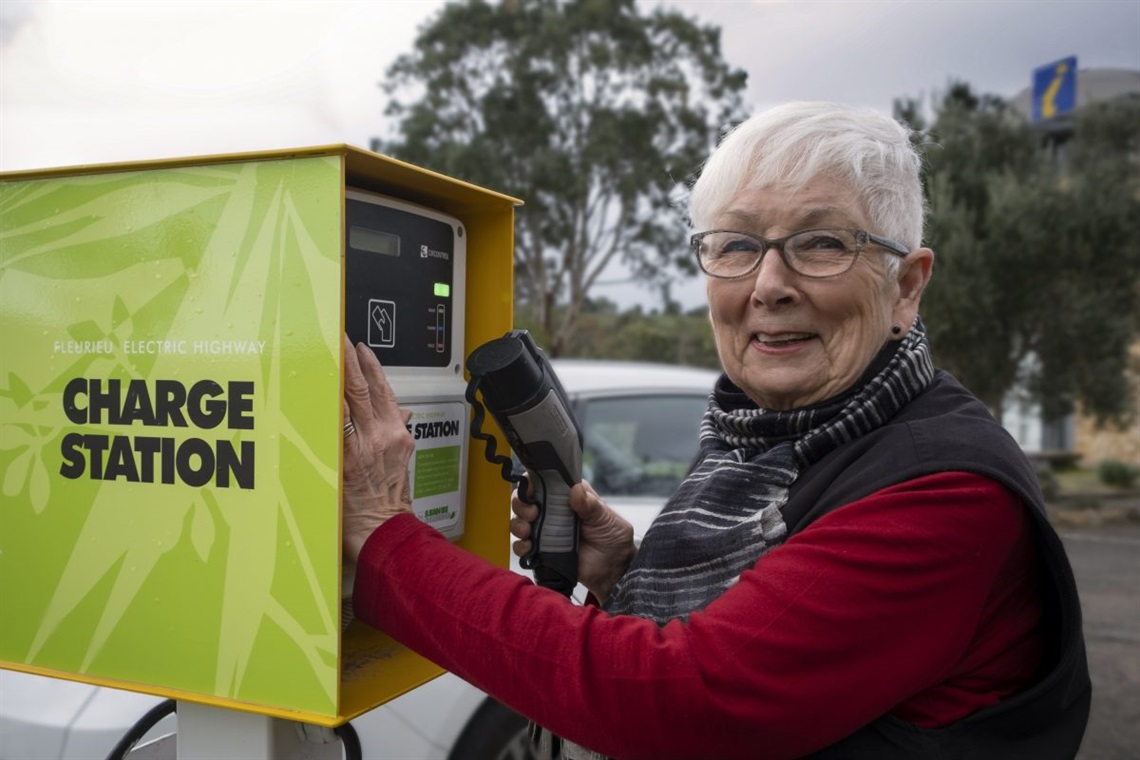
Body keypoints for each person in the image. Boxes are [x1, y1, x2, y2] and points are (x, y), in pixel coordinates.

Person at [341, 101, 1091, 759]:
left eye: (822, 243)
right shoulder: (766, 437)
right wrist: (619, 580)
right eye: (734, 245)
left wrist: (383, 537)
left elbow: (681, 699)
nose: (768, 285)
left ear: (906, 285)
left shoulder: (945, 491)